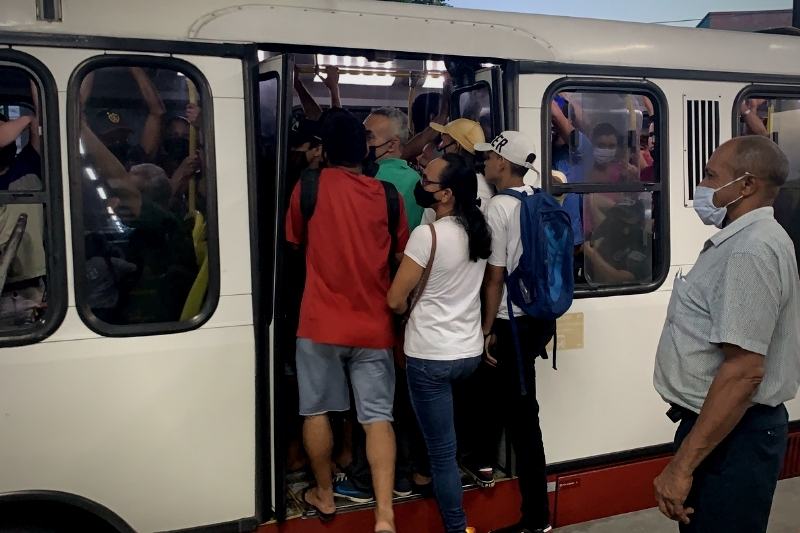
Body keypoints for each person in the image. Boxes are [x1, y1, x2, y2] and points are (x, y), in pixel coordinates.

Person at [653, 136, 800, 533]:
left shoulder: (749, 251)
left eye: (710, 175)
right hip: (722, 430)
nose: (702, 186)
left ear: (747, 185)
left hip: (735, 438)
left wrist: (681, 467)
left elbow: (744, 371)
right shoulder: (746, 241)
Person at [285, 109, 408, 533]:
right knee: (377, 418)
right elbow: (399, 258)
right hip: (374, 325)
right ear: (365, 151)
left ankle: (324, 494)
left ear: (326, 151)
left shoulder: (309, 187)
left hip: (319, 323)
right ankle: (386, 515)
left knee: (317, 411)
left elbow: (295, 241)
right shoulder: (388, 195)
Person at [387, 153, 490, 533]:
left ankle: (455, 526)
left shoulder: (426, 235)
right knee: (451, 442)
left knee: (441, 454)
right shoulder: (478, 231)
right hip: (469, 352)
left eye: (427, 180)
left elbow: (395, 299)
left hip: (430, 356)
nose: (420, 183)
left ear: (445, 194)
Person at [477, 131, 554, 533]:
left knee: (524, 423)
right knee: (521, 414)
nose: (485, 163)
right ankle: (533, 512)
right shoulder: (539, 199)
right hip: (540, 318)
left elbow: (494, 278)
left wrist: (486, 329)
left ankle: (536, 520)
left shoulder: (500, 208)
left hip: (512, 323)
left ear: (503, 164)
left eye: (488, 157)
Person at [418, 118, 493, 224]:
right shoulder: (484, 183)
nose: (440, 147)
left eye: (443, 141)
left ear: (457, 146)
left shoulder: (448, 185)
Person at [365, 107, 424, 230]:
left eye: (368, 137)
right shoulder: (415, 178)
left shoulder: (368, 177)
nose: (361, 142)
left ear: (391, 145)